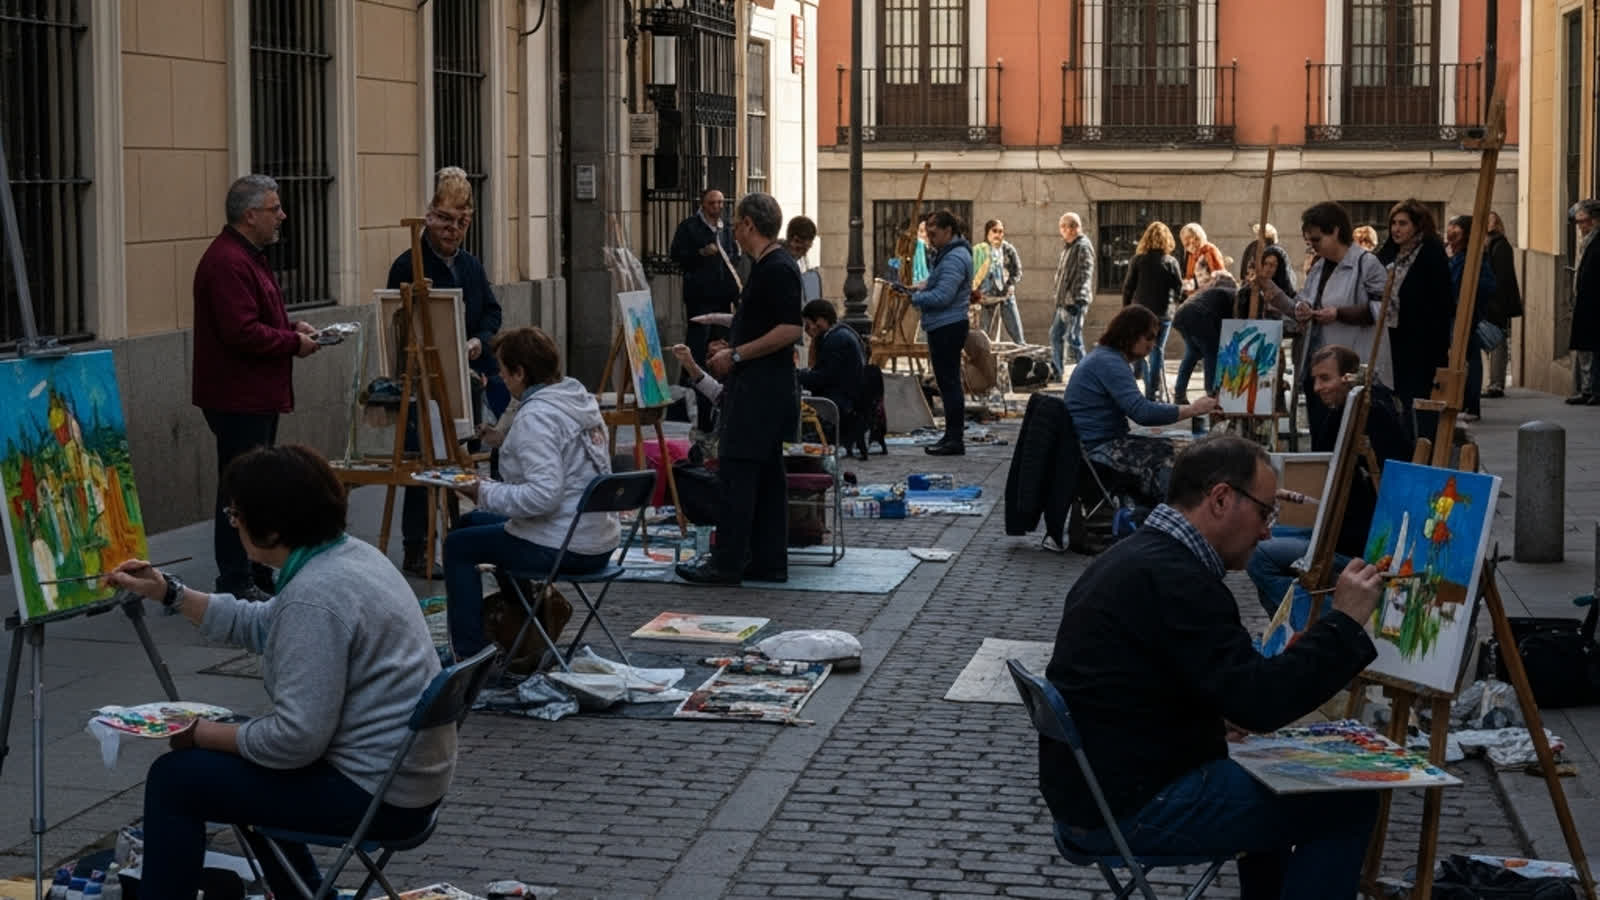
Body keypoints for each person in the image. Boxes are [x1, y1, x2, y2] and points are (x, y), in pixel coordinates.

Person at [1040, 435, 1384, 900]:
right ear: (1221, 499)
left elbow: (1166, 683)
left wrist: (1210, 719)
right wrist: (1343, 623)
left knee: (1276, 785)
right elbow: (1261, 703)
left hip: (1094, 793)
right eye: (1265, 513)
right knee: (1348, 801)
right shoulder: (1177, 580)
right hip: (1127, 807)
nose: (1267, 533)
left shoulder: (1136, 556)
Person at [107, 445, 455, 898]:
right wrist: (169, 592)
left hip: (378, 796)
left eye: (236, 514)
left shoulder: (317, 594)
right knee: (233, 761)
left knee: (178, 780)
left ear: (270, 528)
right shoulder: (349, 557)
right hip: (403, 779)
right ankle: (306, 893)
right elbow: (267, 622)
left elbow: (294, 741)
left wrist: (200, 734)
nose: (233, 524)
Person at [441, 327, 619, 659]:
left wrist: (480, 489)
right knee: (470, 526)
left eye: (505, 373)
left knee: (457, 547)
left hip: (565, 544)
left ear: (521, 372)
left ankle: (469, 655)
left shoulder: (538, 416)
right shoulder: (578, 404)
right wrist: (487, 491)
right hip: (596, 537)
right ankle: (529, 619)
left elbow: (542, 497)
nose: (503, 381)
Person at [192, 174, 321, 601]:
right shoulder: (227, 261)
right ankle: (234, 578)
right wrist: (292, 343)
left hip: (255, 392)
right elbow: (241, 332)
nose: (282, 215)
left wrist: (289, 326)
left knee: (256, 484)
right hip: (237, 395)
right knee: (239, 487)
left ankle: (256, 568)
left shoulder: (250, 256)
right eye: (274, 208)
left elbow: (256, 317)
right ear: (250, 215)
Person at [676, 192, 805, 585]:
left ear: (750, 224)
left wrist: (735, 356)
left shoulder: (777, 267)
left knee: (737, 474)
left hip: (761, 392)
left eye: (737, 222)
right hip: (764, 389)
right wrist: (730, 332)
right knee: (765, 478)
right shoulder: (765, 266)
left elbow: (789, 329)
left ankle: (727, 562)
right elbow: (763, 321)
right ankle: (767, 560)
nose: (733, 229)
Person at [387, 167, 506, 578]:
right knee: (424, 460)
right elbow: (399, 324)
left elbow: (491, 311)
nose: (453, 231)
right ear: (430, 217)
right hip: (422, 384)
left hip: (466, 378)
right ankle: (416, 548)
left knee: (462, 460)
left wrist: (481, 340)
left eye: (462, 222)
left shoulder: (470, 265)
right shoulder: (409, 264)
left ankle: (460, 537)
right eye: (445, 220)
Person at [1246, 345, 1414, 614]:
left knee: (1258, 557)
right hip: (1332, 533)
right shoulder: (1343, 413)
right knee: (1261, 534)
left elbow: (1391, 482)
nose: (1316, 387)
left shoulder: (1372, 414)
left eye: (1325, 378)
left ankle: (1331, 618)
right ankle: (1290, 630)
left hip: (1354, 545)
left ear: (1349, 378)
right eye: (1315, 379)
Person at [1066, 305, 1217, 506]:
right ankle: (1172, 517)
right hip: (1096, 450)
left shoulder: (1107, 357)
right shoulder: (1109, 362)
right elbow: (1142, 412)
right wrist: (1192, 409)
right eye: (1148, 338)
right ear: (1130, 334)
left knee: (1176, 448)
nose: (1152, 345)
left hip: (1097, 443)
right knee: (1177, 460)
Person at [1289, 202, 1387, 436]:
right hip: (1318, 365)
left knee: (1347, 439)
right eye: (1309, 241)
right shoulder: (1319, 266)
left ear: (1334, 231)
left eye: (1316, 239)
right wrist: (1303, 308)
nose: (1312, 246)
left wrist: (1339, 313)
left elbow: (1385, 310)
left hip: (1348, 370)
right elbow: (1306, 297)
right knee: (1321, 437)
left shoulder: (1366, 264)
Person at [1374, 199, 1453, 435]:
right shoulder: (1390, 253)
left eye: (1403, 224)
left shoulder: (1431, 252)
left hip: (1422, 343)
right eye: (1393, 224)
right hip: (1393, 338)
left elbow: (1442, 300)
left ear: (1417, 226)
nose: (1396, 229)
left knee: (1419, 402)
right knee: (1400, 401)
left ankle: (1423, 450)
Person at [670, 188, 742, 431]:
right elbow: (676, 256)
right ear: (703, 204)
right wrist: (700, 253)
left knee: (719, 345)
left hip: (723, 296)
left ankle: (717, 383)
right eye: (713, 203)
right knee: (699, 344)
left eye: (721, 202)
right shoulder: (690, 227)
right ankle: (693, 381)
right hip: (700, 297)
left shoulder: (727, 229)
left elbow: (733, 256)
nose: (717, 207)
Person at [907, 208, 974, 456]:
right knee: (948, 384)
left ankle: (954, 439)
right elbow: (940, 284)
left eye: (934, 234)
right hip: (945, 324)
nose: (930, 239)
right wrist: (921, 287)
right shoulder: (947, 254)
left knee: (949, 384)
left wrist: (917, 298)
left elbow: (944, 295)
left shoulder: (954, 257)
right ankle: (951, 436)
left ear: (949, 231)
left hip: (948, 325)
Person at [1121, 221, 1183, 400]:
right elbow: (1178, 288)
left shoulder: (1138, 260)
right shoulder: (1171, 262)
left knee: (1140, 347)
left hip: (1140, 312)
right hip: (1163, 313)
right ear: (1167, 240)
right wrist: (1173, 307)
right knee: (1157, 350)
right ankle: (1152, 392)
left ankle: (1142, 380)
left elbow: (1128, 287)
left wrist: (1126, 309)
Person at [1445, 215, 1496, 422]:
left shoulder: (1472, 257)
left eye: (1455, 228)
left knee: (1470, 360)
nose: (1450, 231)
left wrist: (1469, 301)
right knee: (1464, 359)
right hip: (1458, 313)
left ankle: (1471, 405)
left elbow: (1487, 285)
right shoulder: (1457, 255)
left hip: (1466, 315)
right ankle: (1466, 403)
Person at [797, 299, 866, 440]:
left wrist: (796, 376)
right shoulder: (838, 334)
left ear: (820, 321)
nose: (806, 330)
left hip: (840, 402)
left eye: (808, 324)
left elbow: (823, 378)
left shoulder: (836, 340)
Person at [1172, 270, 1238, 403]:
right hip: (1198, 316)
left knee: (1192, 354)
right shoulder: (1235, 295)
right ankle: (1211, 394)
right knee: (1211, 352)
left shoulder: (1212, 293)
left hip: (1181, 315)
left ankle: (1179, 394)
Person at [1048, 212, 1095, 378]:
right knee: (1055, 335)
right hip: (1063, 302)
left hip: (1074, 302)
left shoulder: (1082, 246)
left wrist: (1077, 300)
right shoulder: (1070, 246)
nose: (1061, 230)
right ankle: (1058, 371)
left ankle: (1087, 375)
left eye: (1063, 227)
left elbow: (1085, 274)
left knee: (1074, 338)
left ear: (1073, 228)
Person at [1482, 211, 1523, 398]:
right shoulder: (1489, 243)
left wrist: (1496, 302)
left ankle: (1496, 384)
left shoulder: (1500, 245)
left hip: (1497, 302)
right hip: (1492, 302)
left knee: (1497, 340)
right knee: (1493, 340)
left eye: (1489, 220)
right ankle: (1493, 382)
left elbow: (1503, 277)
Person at [1567, 199, 1600, 405]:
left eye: (1584, 222)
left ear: (1596, 220)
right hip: (1585, 301)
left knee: (1593, 349)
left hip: (1594, 302)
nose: (1580, 227)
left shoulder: (1596, 241)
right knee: (1585, 349)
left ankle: (1594, 390)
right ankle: (1587, 389)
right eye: (1578, 222)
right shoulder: (1587, 240)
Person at [972, 218, 1025, 343]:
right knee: (983, 334)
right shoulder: (980, 250)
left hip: (1005, 294)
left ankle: (1023, 358)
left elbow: (1017, 271)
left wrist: (1011, 284)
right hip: (987, 295)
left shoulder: (1008, 249)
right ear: (987, 233)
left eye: (1001, 232)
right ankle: (985, 360)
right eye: (994, 231)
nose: (998, 235)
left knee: (1016, 331)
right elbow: (973, 272)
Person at [1178, 222, 1225, 296]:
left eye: (1194, 240)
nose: (1191, 246)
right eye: (1187, 244)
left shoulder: (1209, 250)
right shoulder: (1191, 254)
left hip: (1207, 297)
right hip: (1195, 297)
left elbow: (1219, 279)